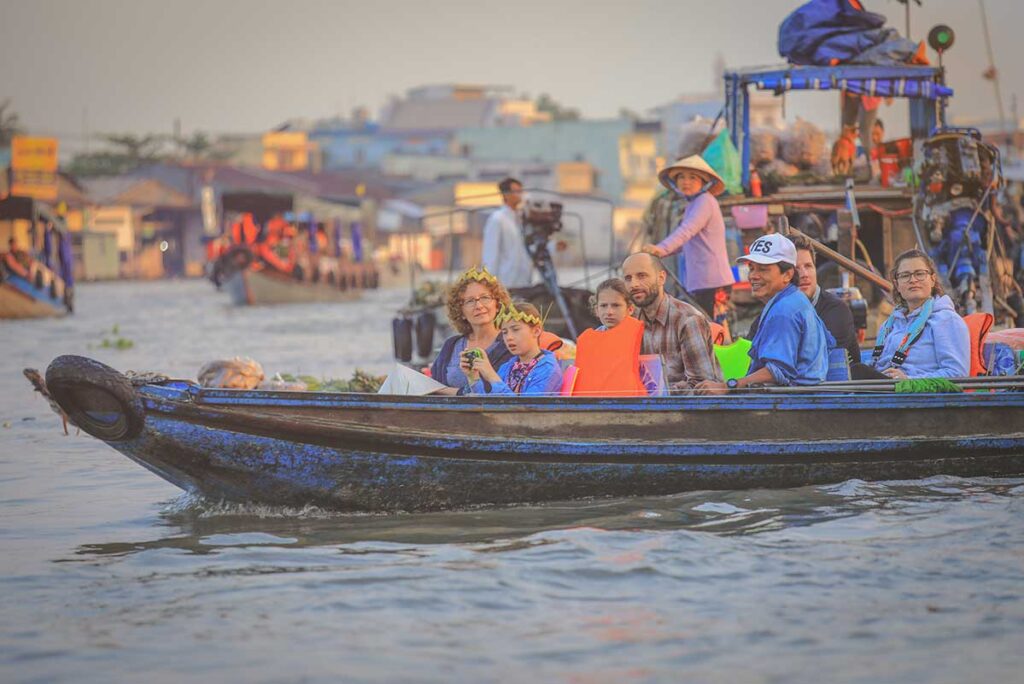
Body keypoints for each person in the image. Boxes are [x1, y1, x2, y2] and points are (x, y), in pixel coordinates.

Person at [697, 234, 829, 394]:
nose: (753, 275)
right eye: (752, 268)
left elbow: (777, 371)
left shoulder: (784, 311)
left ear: (787, 274)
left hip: (793, 405)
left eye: (763, 269)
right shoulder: (793, 300)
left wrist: (728, 386)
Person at [641, 155, 734, 318]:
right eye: (681, 177)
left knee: (714, 326)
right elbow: (686, 241)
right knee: (707, 324)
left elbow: (687, 231)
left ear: (703, 182)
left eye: (692, 177)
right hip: (700, 280)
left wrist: (661, 248)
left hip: (712, 280)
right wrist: (661, 252)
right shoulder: (693, 204)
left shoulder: (705, 201)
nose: (686, 181)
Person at [747, 234, 861, 367]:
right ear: (785, 274)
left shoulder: (836, 311)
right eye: (796, 268)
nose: (804, 274)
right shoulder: (763, 319)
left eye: (808, 266)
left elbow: (808, 366)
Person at [623, 252, 721, 392]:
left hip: (684, 409)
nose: (634, 284)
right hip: (643, 406)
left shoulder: (688, 319)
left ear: (661, 278)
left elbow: (702, 386)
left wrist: (660, 392)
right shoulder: (629, 320)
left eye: (641, 276)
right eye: (628, 278)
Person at [869, 249, 970, 379]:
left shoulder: (946, 320)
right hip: (881, 389)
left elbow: (957, 373)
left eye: (920, 274)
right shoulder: (889, 325)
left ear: (933, 280)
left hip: (918, 397)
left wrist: (908, 380)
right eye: (905, 275)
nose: (913, 280)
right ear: (897, 285)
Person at [429, 266, 513, 395]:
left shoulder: (510, 344)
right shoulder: (451, 345)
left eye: (485, 298)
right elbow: (432, 387)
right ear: (460, 311)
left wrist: (450, 392)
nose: (479, 306)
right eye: (470, 301)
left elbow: (504, 391)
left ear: (497, 305)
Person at [463, 301, 563, 396]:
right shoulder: (507, 367)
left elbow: (524, 408)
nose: (509, 337)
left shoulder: (548, 369)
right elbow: (491, 404)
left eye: (515, 330)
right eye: (505, 332)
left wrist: (491, 375)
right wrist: (474, 378)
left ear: (536, 331)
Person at [481, 177, 533, 289]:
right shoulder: (497, 219)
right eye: (517, 191)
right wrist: (489, 284)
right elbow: (490, 254)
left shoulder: (522, 219)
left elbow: (530, 246)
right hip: (506, 282)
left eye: (521, 191)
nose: (520, 194)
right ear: (506, 194)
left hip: (524, 281)